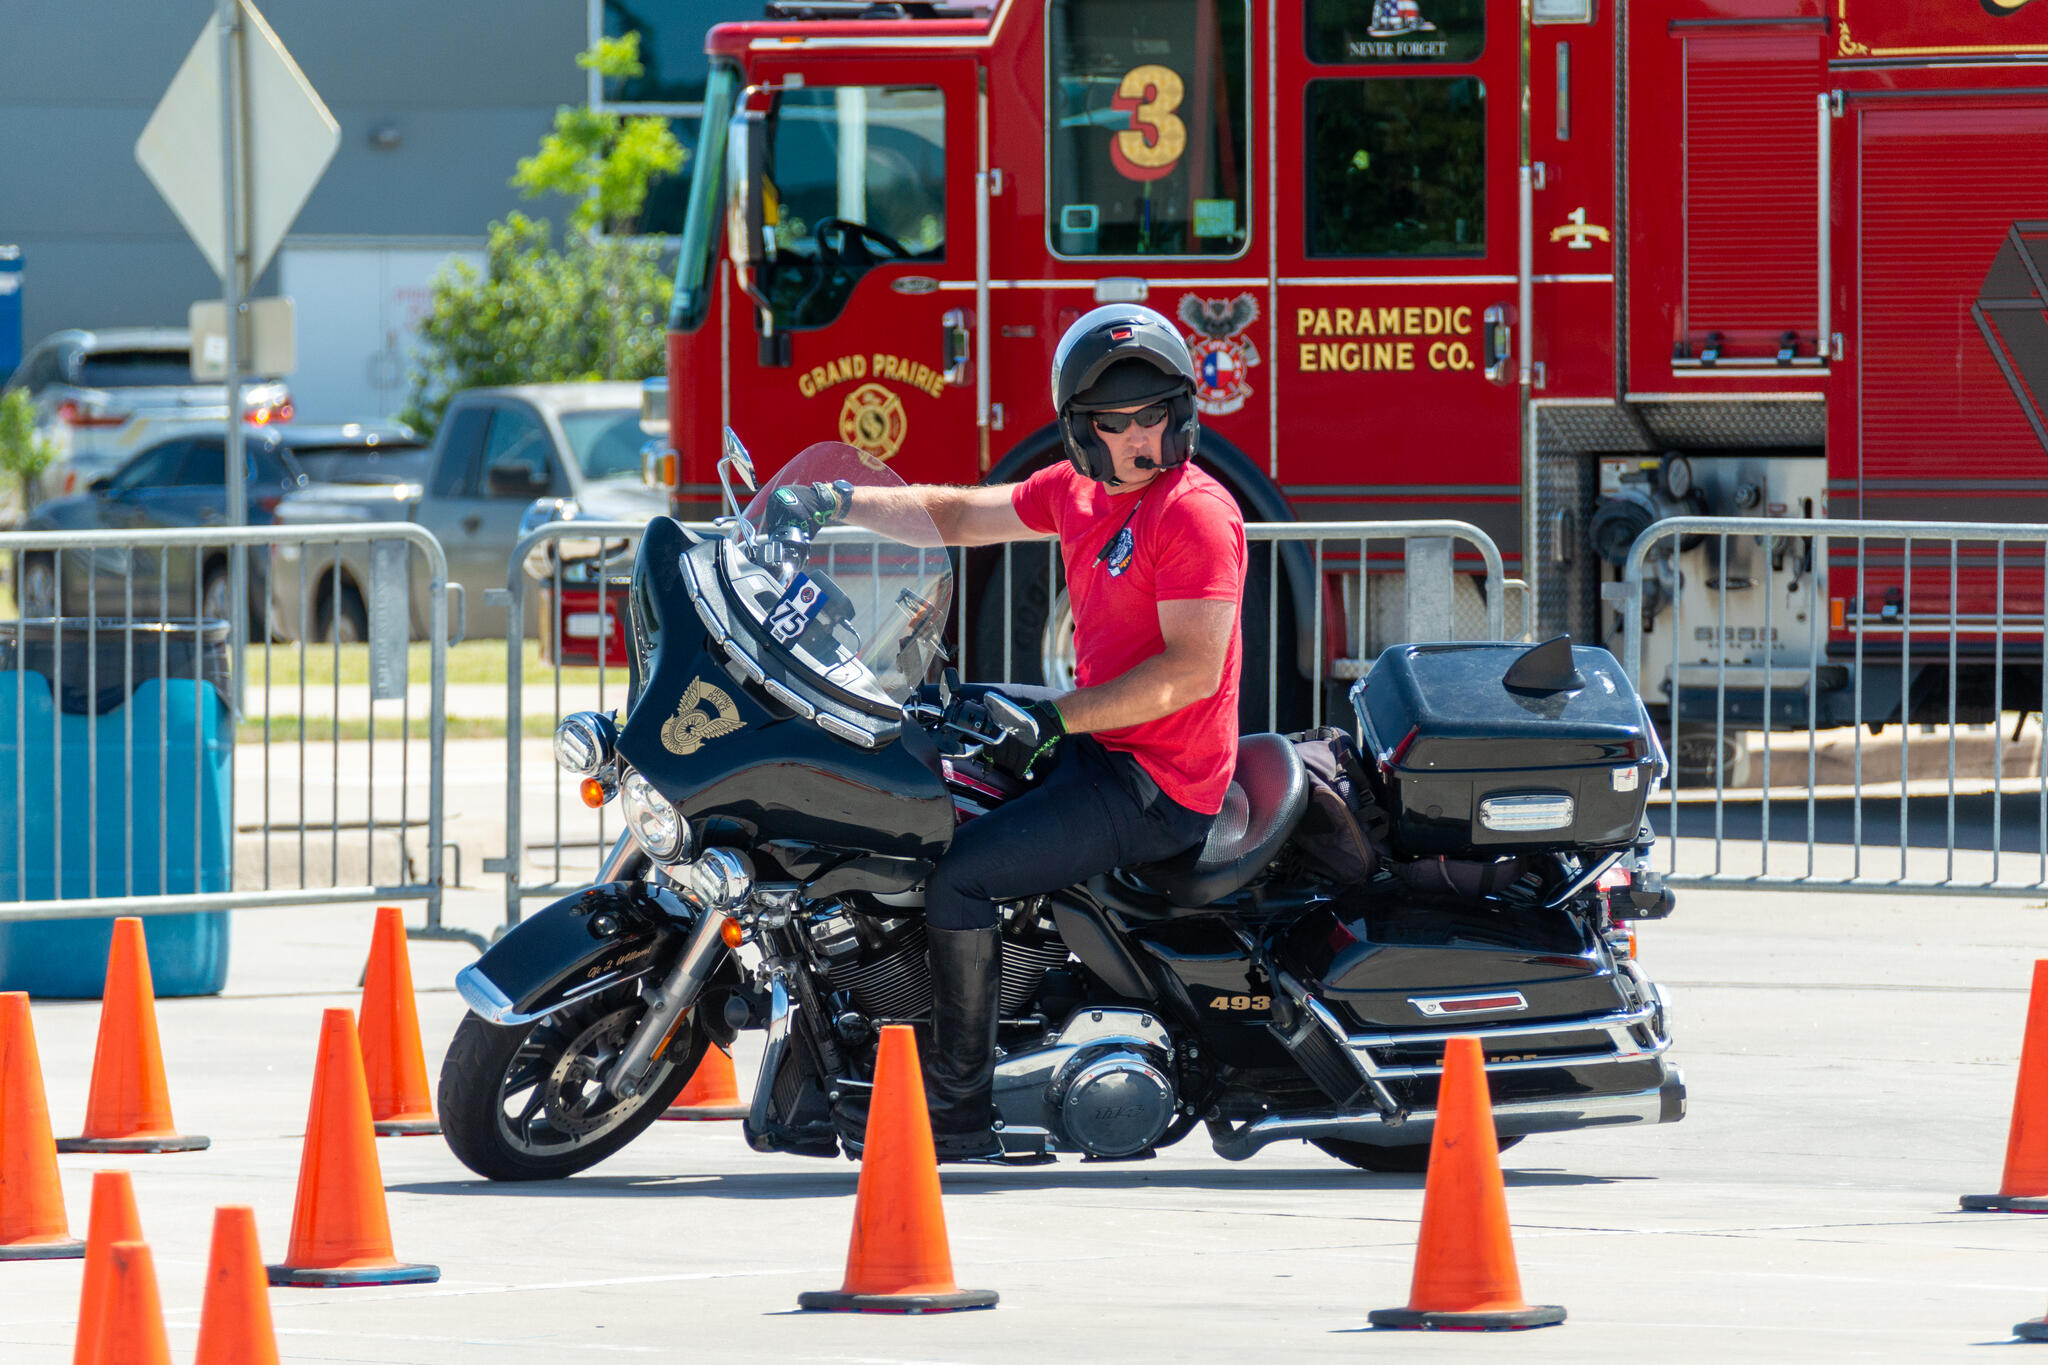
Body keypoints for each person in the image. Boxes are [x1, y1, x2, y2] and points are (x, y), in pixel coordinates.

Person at [766, 304, 1247, 1159]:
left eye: (1155, 415)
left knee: (964, 880)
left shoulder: (1193, 513)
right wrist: (833, 499)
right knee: (926, 743)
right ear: (1081, 430)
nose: (1141, 436)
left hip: (1160, 782)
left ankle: (956, 1114)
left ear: (1183, 412)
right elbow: (952, 515)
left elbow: (1189, 673)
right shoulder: (1077, 491)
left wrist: (1055, 717)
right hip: (1107, 742)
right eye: (1117, 421)